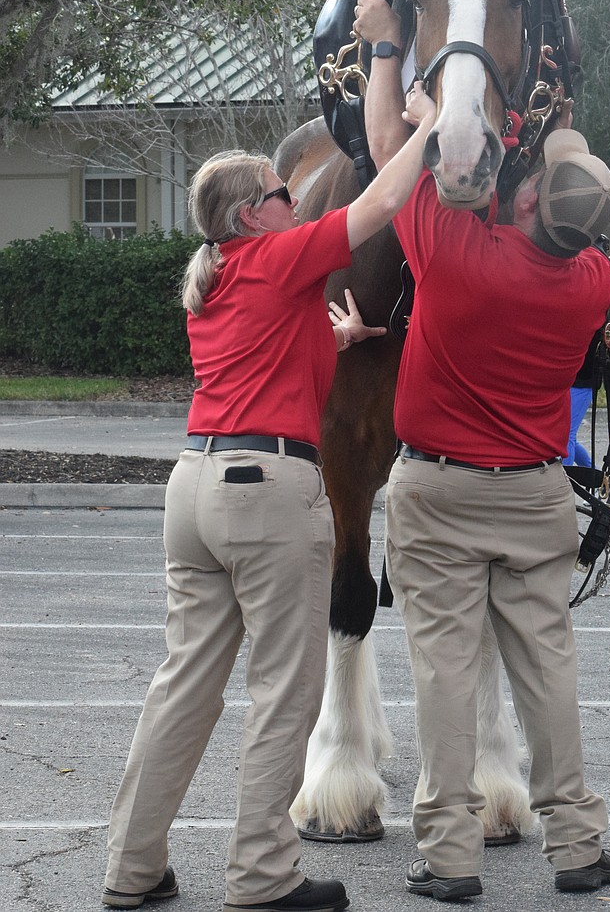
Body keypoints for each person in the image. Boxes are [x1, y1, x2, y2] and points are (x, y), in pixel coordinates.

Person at [101, 107, 436, 912]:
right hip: (267, 493)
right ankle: (261, 876)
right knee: (288, 692)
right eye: (284, 191)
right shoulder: (281, 254)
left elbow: (277, 352)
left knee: (182, 687)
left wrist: (347, 340)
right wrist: (423, 128)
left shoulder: (215, 280)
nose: (297, 200)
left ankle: (131, 866)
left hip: (195, 486)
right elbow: (381, 206)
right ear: (253, 213)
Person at [356, 0, 610, 901]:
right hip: (538, 495)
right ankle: (577, 846)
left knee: (443, 672)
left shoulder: (456, 251)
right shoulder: (591, 280)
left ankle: (450, 856)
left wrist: (408, 80)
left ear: (529, 200)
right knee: (547, 671)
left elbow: (390, 160)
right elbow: (562, 195)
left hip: (438, 495)